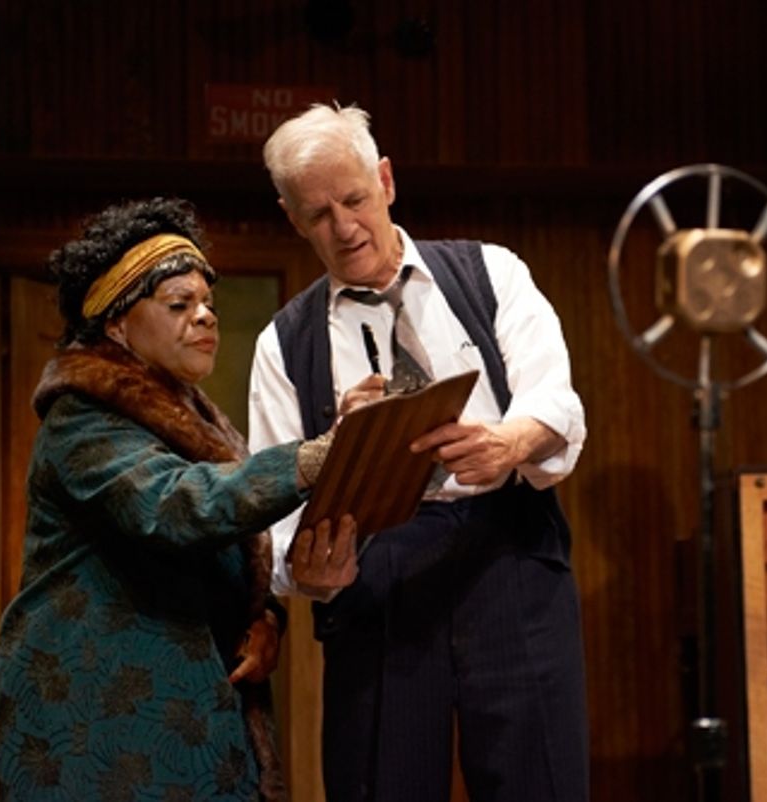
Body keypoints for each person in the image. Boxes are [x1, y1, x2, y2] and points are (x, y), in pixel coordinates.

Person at [248, 103, 589, 802]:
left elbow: (556, 402)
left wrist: (506, 441)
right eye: (318, 215)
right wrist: (311, 570)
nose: (343, 228)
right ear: (291, 219)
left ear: (387, 180)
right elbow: (275, 526)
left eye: (354, 199)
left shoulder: (492, 274)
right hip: (376, 583)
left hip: (510, 557)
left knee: (541, 783)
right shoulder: (283, 345)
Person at [0, 197, 358, 802]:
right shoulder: (81, 418)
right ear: (116, 325)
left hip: (187, 708)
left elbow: (234, 545)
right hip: (95, 720)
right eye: (179, 305)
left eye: (208, 303)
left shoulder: (195, 417)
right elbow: (176, 506)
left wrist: (265, 619)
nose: (206, 317)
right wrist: (313, 457)